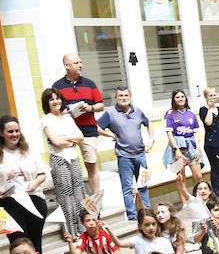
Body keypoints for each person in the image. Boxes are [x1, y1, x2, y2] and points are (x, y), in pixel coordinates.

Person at [0, 116, 49, 254]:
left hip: (34, 200)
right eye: (10, 131)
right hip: (8, 203)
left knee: (35, 245)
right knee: (19, 246)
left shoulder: (30, 150)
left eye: (17, 131)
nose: (15, 134)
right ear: (1, 133)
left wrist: (34, 183)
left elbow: (42, 175)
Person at [96, 87, 154, 222]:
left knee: (143, 185)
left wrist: (151, 141)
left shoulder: (137, 111)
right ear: (116, 98)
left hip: (140, 155)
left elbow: (148, 124)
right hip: (124, 156)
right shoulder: (110, 114)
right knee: (127, 188)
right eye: (120, 95)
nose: (124, 98)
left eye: (126, 95)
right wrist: (109, 134)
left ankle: (147, 214)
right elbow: (97, 127)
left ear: (130, 96)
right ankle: (132, 216)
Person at [51, 53, 104, 196]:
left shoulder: (89, 83)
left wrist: (90, 108)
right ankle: (75, 198)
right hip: (67, 133)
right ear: (67, 66)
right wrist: (64, 113)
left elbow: (101, 105)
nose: (80, 65)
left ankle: (96, 199)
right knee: (70, 166)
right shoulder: (57, 86)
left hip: (88, 131)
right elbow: (54, 109)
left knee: (91, 165)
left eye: (80, 62)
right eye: (76, 63)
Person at [39, 87, 88, 244]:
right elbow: (56, 142)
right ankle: (72, 232)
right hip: (59, 159)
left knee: (79, 192)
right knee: (65, 195)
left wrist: (66, 138)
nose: (56, 101)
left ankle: (84, 228)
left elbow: (80, 136)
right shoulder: (46, 119)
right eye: (51, 99)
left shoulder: (68, 118)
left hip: (73, 157)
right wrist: (70, 140)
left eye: (57, 98)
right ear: (47, 103)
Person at [163, 89, 204, 186]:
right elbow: (169, 133)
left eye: (182, 96)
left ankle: (199, 198)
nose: (180, 99)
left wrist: (197, 149)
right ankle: (185, 201)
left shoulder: (191, 113)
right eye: (177, 97)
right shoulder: (170, 114)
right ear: (174, 100)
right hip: (179, 148)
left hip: (191, 147)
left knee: (198, 176)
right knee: (181, 176)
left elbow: (196, 132)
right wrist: (176, 150)